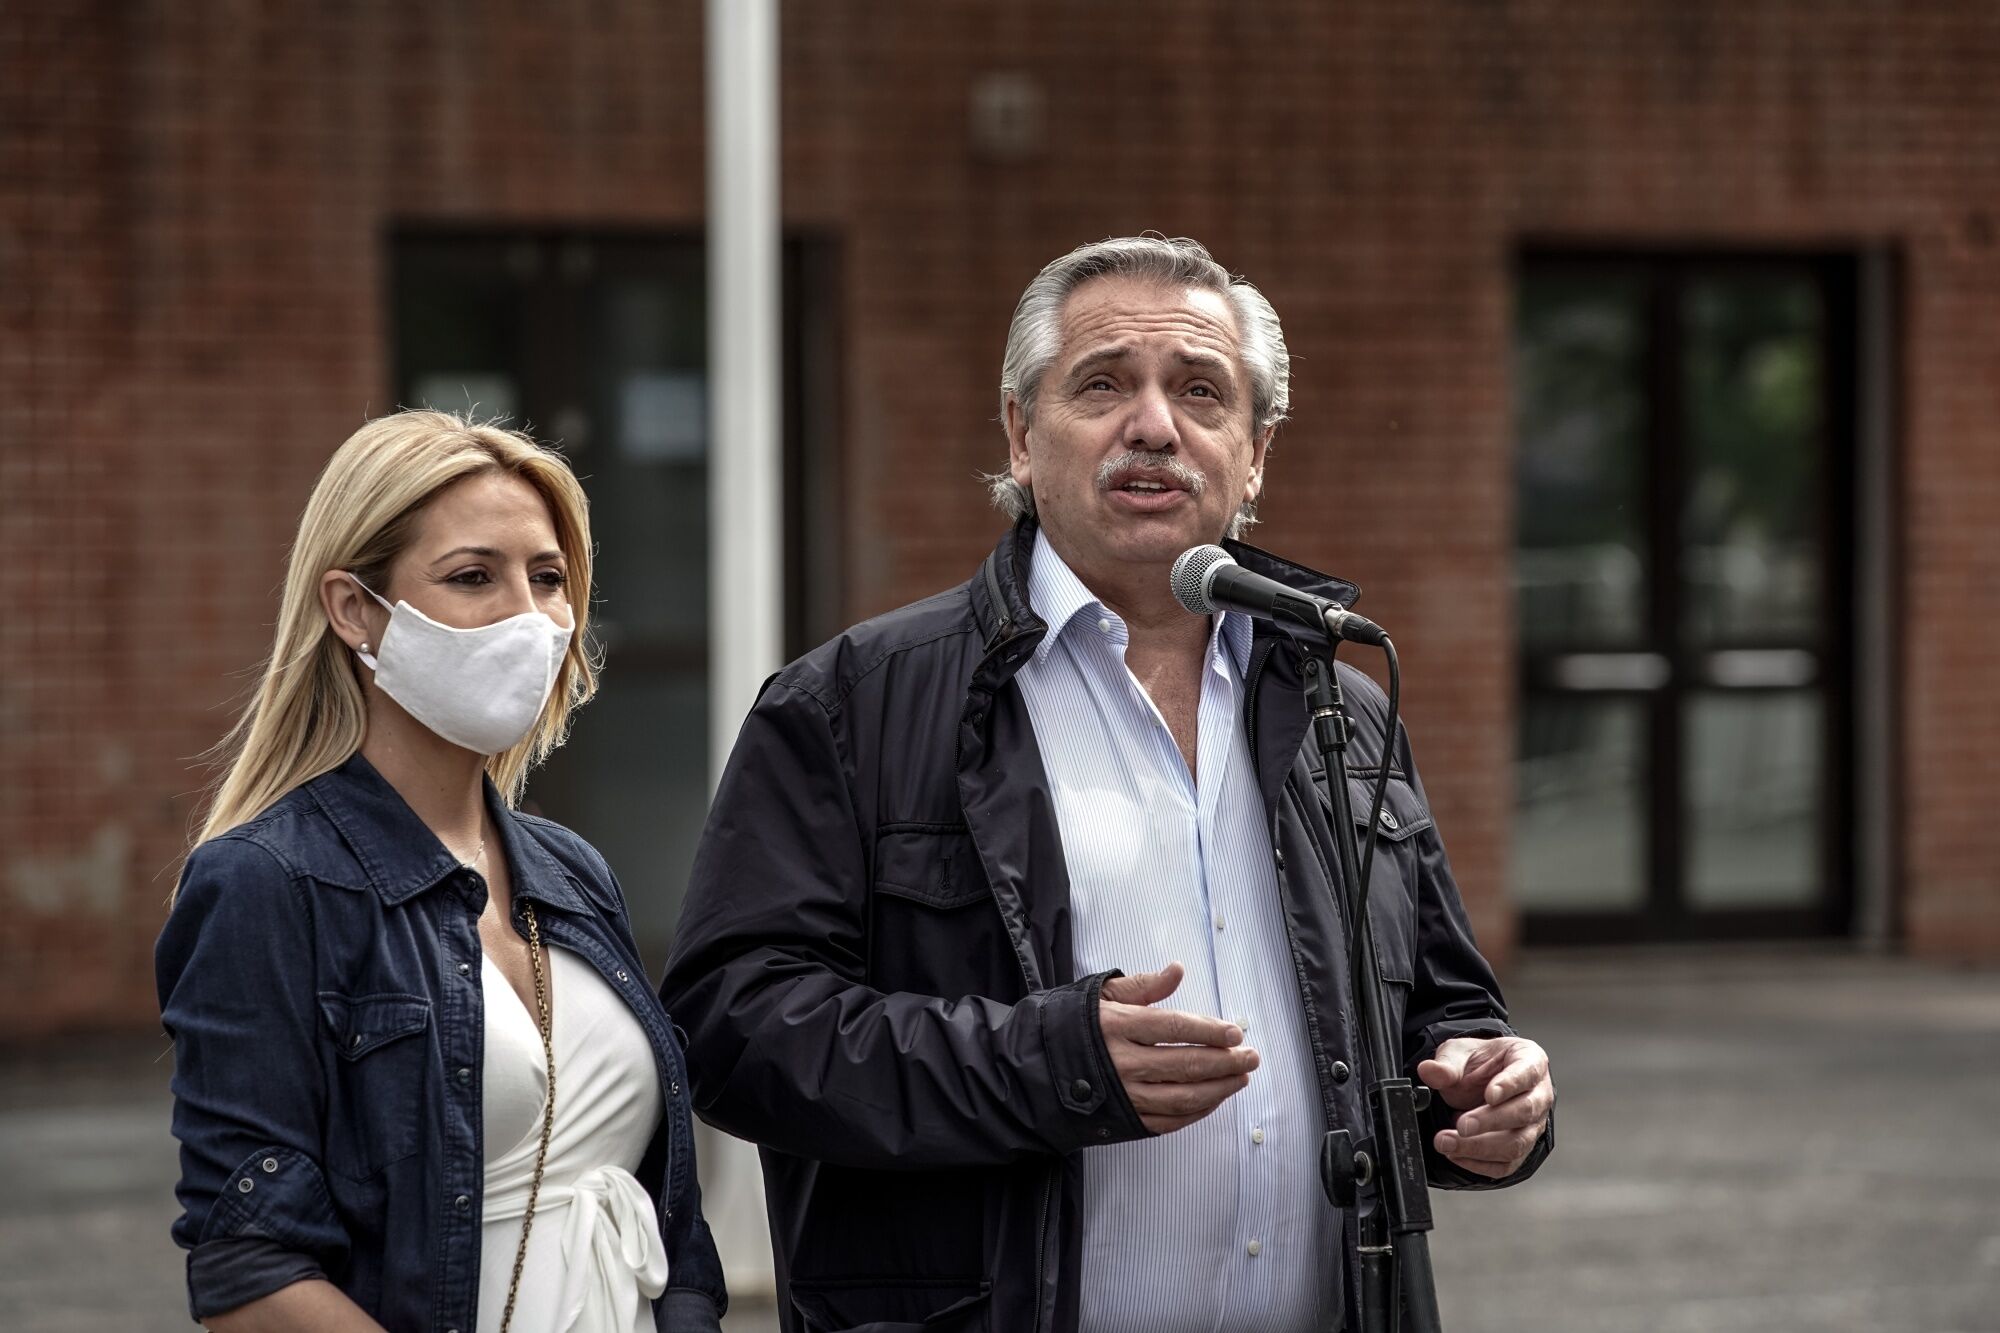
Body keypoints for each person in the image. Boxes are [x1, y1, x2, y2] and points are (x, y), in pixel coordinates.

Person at [660, 236, 1554, 1333]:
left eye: (1198, 392)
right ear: (1018, 435)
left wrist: (1480, 1091)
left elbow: (1438, 1007)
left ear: (1255, 451)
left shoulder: (1341, 710)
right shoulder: (849, 704)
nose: (1152, 425)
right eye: (1100, 385)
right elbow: (735, 1029)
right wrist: (1049, 1063)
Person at [156, 410, 726, 1332]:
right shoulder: (267, 882)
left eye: (548, 578)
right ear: (354, 609)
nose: (532, 618)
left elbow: (671, 1220)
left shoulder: (570, 869)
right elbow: (249, 1269)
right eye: (473, 576)